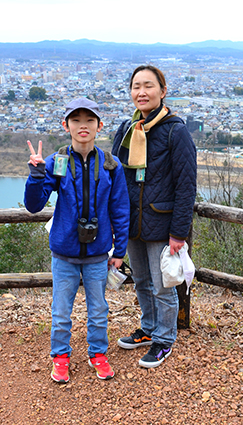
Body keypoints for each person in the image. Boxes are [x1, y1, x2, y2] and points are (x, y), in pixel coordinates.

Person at [24, 97, 129, 383]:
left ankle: (98, 355)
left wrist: (119, 250)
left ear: (99, 126)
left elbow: (120, 208)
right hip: (64, 253)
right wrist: (36, 175)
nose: (83, 126)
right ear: (66, 125)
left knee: (98, 311)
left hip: (97, 253)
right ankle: (60, 357)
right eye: (76, 120)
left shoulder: (110, 165)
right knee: (61, 312)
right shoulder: (58, 162)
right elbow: (34, 205)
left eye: (89, 121)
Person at [112, 65, 197, 368]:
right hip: (132, 220)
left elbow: (186, 186)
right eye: (136, 86)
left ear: (163, 91)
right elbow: (115, 176)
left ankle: (164, 339)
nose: (142, 92)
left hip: (162, 222)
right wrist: (115, 220)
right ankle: (148, 329)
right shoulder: (127, 128)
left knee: (162, 285)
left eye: (149, 86)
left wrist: (179, 232)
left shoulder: (176, 130)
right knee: (143, 281)